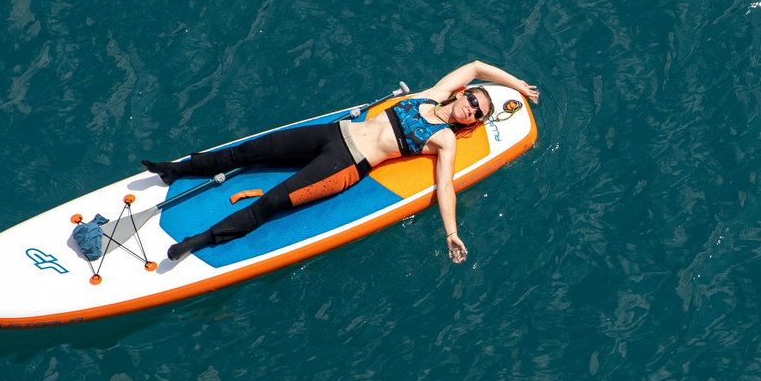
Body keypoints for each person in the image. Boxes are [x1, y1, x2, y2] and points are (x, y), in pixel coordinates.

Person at [145, 62, 540, 267]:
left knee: (271, 203)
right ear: (463, 94)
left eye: (478, 114)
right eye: (473, 101)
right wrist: (518, 85)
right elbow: (475, 66)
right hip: (333, 133)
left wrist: (451, 233)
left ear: (472, 124)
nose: (471, 110)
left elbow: (445, 187)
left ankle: (198, 241)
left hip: (346, 165)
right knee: (251, 150)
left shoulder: (445, 139)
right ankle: (177, 169)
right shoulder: (432, 94)